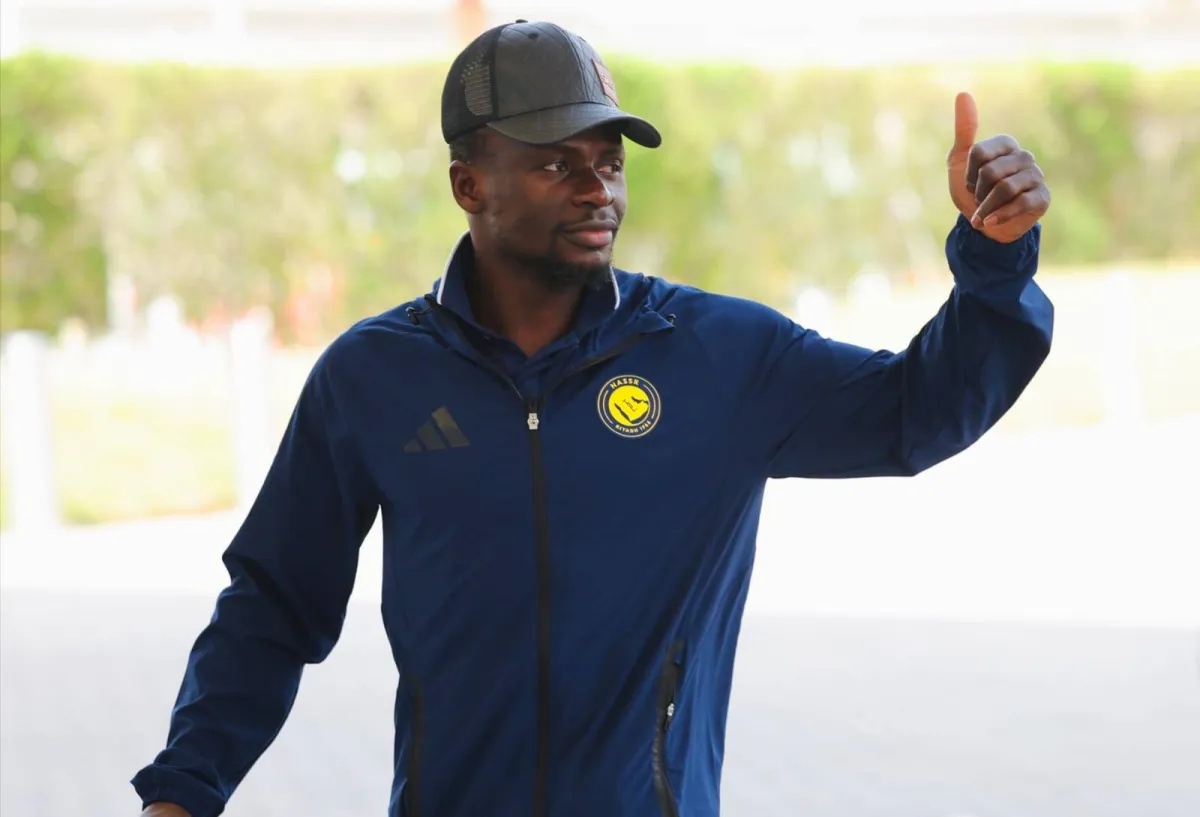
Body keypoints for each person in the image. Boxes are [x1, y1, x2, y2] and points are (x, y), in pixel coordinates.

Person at [133, 19, 1053, 817]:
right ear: (468, 185)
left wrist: (995, 260)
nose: (596, 189)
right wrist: (182, 790)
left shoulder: (717, 356)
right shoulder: (372, 378)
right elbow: (272, 605)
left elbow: (916, 412)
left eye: (609, 162)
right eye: (555, 163)